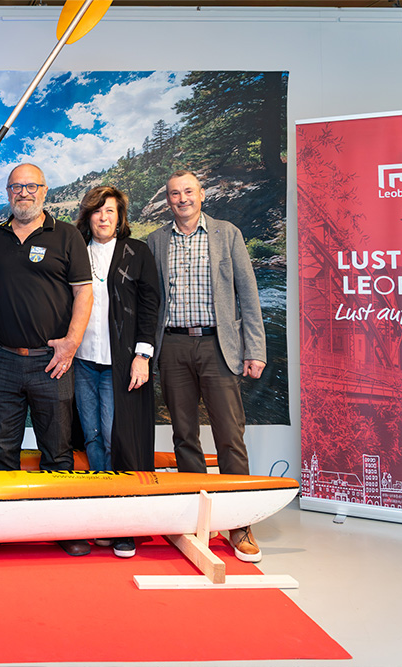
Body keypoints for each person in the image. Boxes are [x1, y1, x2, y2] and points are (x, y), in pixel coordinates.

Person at [0, 163, 94, 557]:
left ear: (44, 191)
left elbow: (84, 293)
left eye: (31, 186)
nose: (24, 193)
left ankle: (63, 527)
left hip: (51, 361)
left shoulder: (67, 235)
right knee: (0, 449)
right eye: (16, 187)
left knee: (57, 450)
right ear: (8, 193)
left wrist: (71, 343)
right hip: (1, 359)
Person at [146, 170, 267, 563]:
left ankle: (240, 523)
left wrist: (256, 350)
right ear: (168, 200)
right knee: (184, 436)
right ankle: (199, 519)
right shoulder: (156, 241)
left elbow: (248, 294)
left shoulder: (226, 233)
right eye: (174, 194)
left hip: (219, 345)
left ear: (202, 194)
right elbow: (150, 302)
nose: (182, 199)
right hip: (174, 346)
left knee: (230, 435)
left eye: (188, 192)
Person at [73, 186, 160, 558]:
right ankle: (98, 513)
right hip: (80, 360)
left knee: (115, 437)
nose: (103, 217)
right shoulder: (76, 249)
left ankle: (123, 521)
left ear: (120, 217)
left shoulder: (136, 252)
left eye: (110, 211)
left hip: (119, 361)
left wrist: (143, 355)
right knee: (90, 436)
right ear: (88, 216)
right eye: (97, 211)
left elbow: (150, 304)